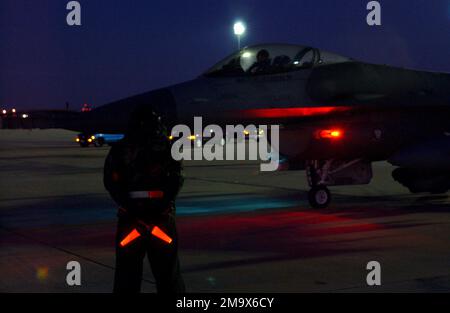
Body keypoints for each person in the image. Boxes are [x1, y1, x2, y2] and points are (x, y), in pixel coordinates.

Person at [104, 105, 185, 293]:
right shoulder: (168, 147)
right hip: (162, 223)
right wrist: (159, 210)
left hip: (130, 223)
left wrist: (133, 209)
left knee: (127, 277)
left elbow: (111, 182)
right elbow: (176, 180)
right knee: (169, 277)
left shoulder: (119, 150)